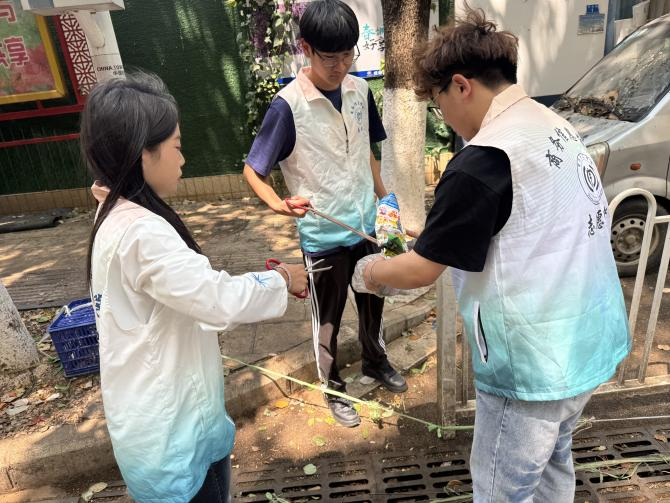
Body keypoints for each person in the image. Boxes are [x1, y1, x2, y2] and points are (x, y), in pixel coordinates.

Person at [352, 8, 631, 502]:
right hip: (587, 345)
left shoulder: (482, 160)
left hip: (532, 367)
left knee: (502, 489)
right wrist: (440, 233)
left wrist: (370, 272)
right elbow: (529, 222)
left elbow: (419, 270)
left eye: (438, 103)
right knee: (554, 463)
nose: (443, 117)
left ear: (461, 85)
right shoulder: (554, 124)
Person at [82, 72, 308, 503]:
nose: (183, 159)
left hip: (158, 424)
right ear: (143, 153)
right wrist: (282, 279)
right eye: (177, 146)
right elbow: (217, 299)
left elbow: (192, 294)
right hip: (172, 437)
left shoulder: (112, 216)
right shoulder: (142, 233)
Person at [243, 0, 407, 428]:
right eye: (329, 57)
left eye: (348, 54)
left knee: (373, 305)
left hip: (367, 228)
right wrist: (279, 205)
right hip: (323, 235)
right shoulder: (287, 106)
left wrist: (386, 202)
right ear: (306, 49)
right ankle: (334, 388)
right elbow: (253, 170)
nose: (340, 66)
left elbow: (368, 153)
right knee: (328, 321)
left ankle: (375, 362)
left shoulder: (360, 92)